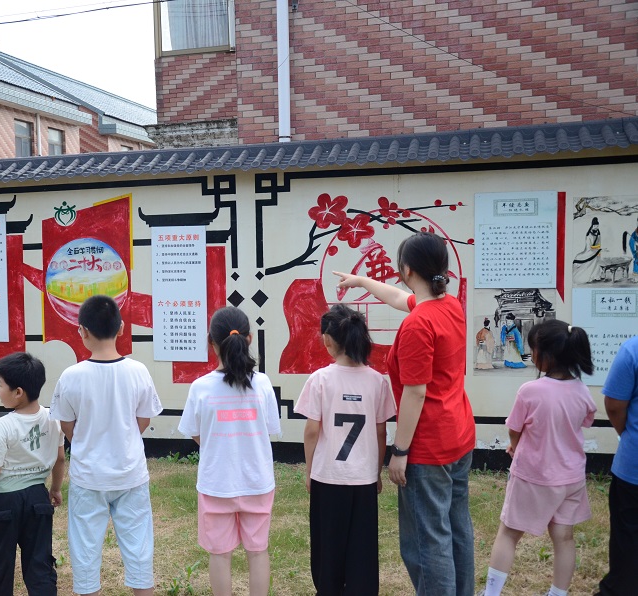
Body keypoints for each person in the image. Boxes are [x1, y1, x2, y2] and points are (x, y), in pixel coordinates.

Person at [335, 231, 475, 596]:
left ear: (407, 269)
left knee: (428, 543)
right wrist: (362, 280)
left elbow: (415, 392)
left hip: (428, 447)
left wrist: (399, 452)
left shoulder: (418, 324)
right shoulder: (450, 306)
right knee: (457, 530)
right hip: (459, 435)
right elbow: (400, 297)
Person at [49, 295, 163, 596]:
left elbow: (66, 424)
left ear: (81, 330)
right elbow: (143, 419)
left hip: (89, 477)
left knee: (85, 556)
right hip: (131, 474)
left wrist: (85, 442)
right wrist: (124, 437)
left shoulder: (71, 376)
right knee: (140, 554)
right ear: (122, 327)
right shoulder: (139, 371)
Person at [480, 320, 596, 596]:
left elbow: (515, 427)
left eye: (533, 349)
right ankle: (558, 593)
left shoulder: (531, 391)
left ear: (547, 355)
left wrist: (514, 445)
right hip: (571, 478)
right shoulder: (581, 390)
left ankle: (491, 593)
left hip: (534, 476)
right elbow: (585, 421)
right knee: (564, 538)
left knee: (509, 533)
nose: (531, 355)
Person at [177, 307, 282, 596]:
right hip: (257, 482)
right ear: (249, 338)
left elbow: (198, 434)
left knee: (220, 554)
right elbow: (270, 428)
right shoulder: (262, 384)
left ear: (210, 342)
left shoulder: (200, 387)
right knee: (258, 551)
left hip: (216, 484)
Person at [295, 304, 395, 595]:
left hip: (328, 477)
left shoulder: (320, 380)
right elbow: (380, 432)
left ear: (327, 339)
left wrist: (309, 470)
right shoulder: (378, 381)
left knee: (328, 546)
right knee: (362, 545)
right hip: (362, 479)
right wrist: (376, 472)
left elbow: (312, 430)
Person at [0, 352, 65, 595]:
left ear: (18, 392)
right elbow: (60, 458)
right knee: (39, 563)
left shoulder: (4, 425)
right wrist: (55, 489)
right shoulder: (52, 419)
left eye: (1, 385)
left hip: (4, 502)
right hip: (38, 498)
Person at [596, 335, 638, 595]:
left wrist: (630, 435)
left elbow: (614, 406)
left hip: (634, 469)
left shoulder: (632, 349)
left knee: (628, 537)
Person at [572, 216, 602, 284]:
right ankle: (588, 277)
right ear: (592, 226)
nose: (596, 227)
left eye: (597, 226)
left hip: (597, 251)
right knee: (589, 263)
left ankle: (596, 276)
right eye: (595, 226)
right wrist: (597, 249)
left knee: (597, 263)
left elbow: (599, 243)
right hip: (590, 251)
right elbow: (589, 247)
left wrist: (598, 251)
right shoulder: (589, 235)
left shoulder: (598, 233)